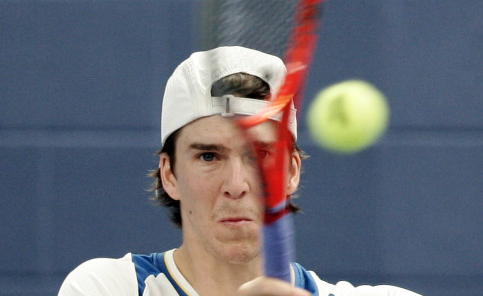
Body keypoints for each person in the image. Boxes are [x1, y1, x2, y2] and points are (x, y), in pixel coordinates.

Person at [59, 46, 421, 296]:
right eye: (208, 157)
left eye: (261, 156)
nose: (236, 185)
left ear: (292, 171)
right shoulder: (109, 287)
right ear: (169, 175)